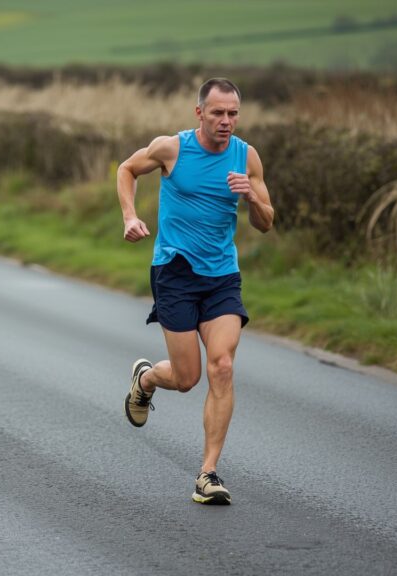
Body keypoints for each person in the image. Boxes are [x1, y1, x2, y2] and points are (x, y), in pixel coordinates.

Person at [116, 78, 274, 505]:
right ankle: (147, 378)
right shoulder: (172, 148)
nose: (226, 121)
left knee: (222, 366)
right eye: (218, 112)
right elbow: (126, 169)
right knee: (187, 378)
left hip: (222, 276)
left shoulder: (246, 156)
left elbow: (266, 222)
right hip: (175, 272)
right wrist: (130, 215)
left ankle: (207, 474)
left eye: (233, 113)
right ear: (199, 112)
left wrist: (252, 199)